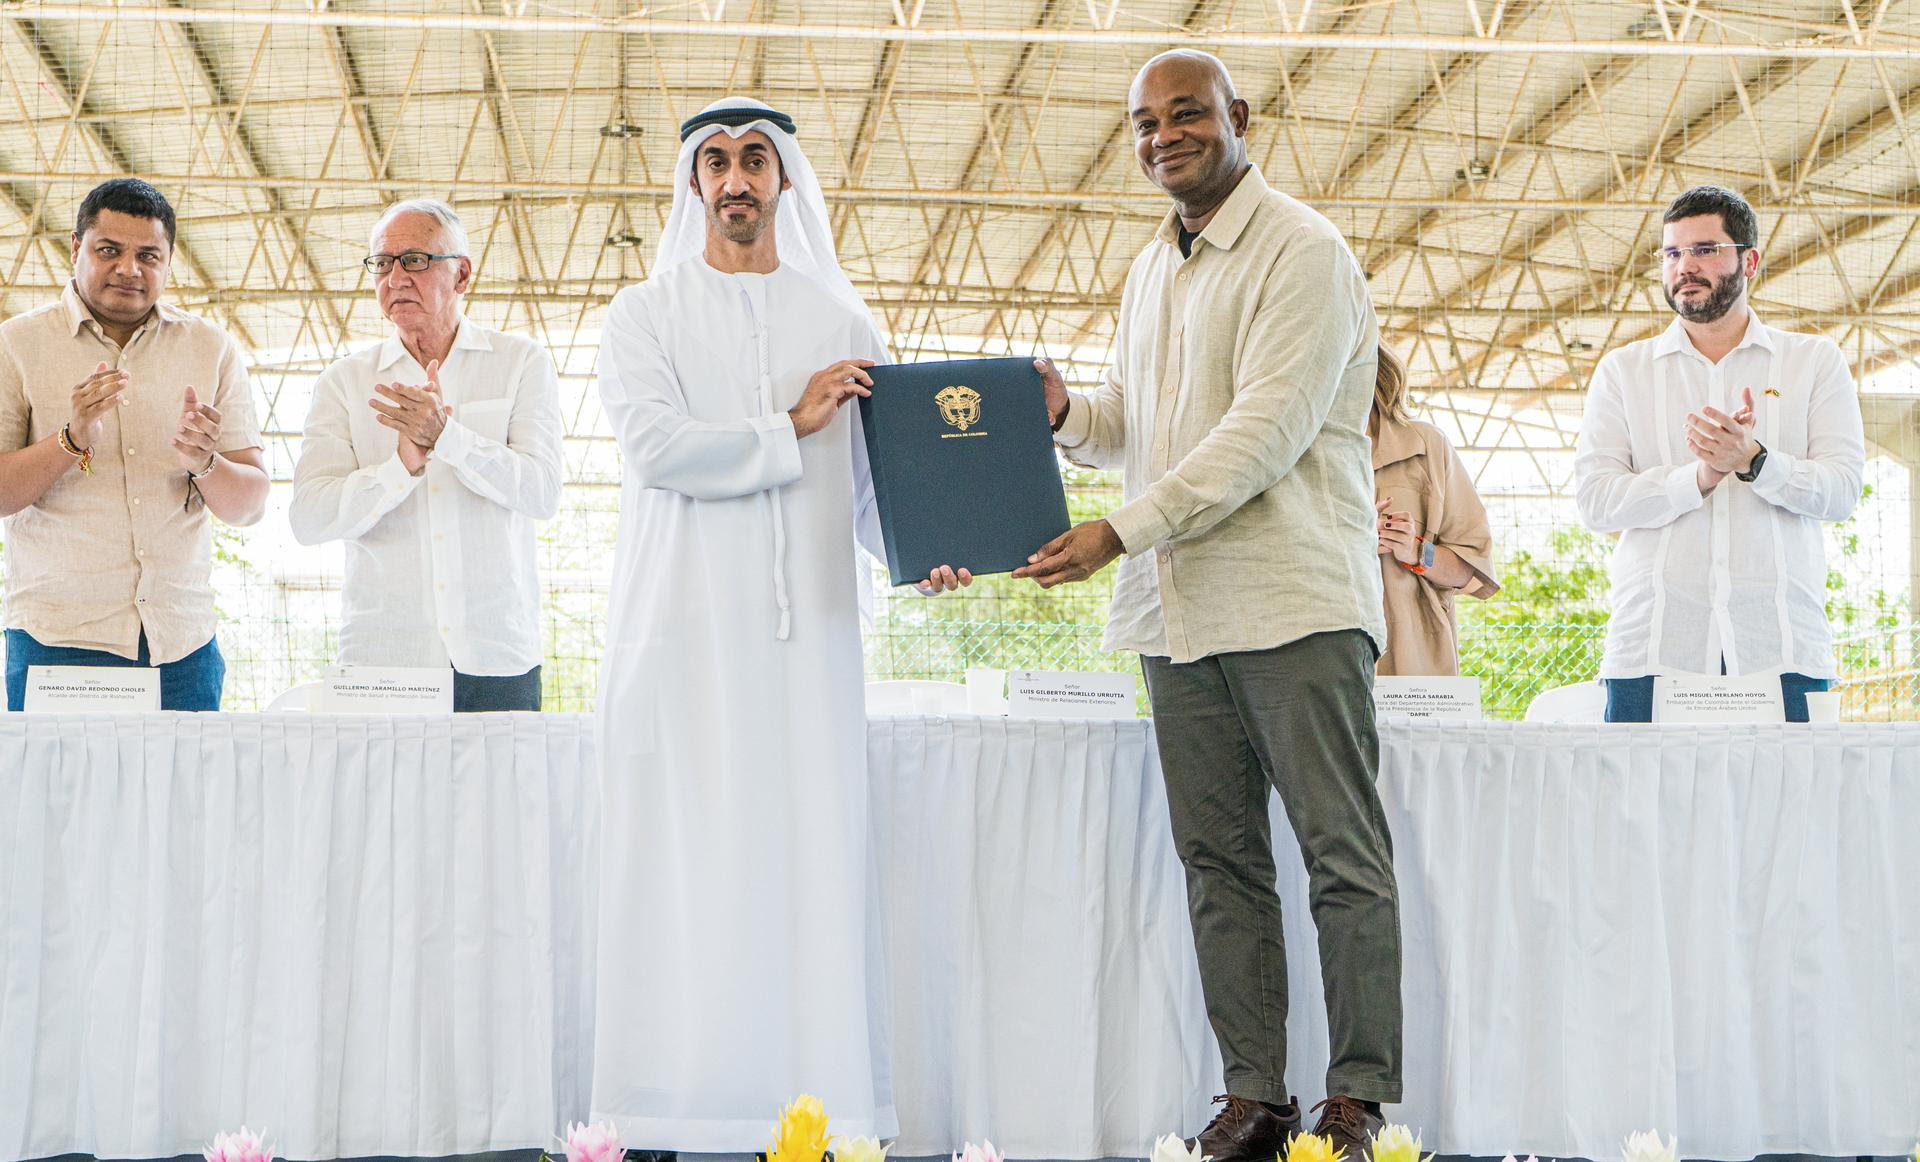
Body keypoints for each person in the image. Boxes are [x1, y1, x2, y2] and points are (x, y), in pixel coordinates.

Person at [1014, 51, 1401, 1160]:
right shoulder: (1154, 264)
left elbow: (1262, 435)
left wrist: (1117, 531)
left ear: (1240, 118)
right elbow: (1145, 416)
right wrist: (1064, 414)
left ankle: (1358, 1096)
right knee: (1219, 861)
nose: (1161, 136)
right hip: (1177, 615)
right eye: (1143, 122)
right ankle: (1257, 1095)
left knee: (1340, 854)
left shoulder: (1305, 253)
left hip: (1293, 604)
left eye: (1186, 114)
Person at [588, 96, 968, 1149]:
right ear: (693, 185)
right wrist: (788, 421)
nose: (737, 179)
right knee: (691, 861)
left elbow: (866, 495)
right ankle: (682, 1099)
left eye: (757, 159)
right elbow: (659, 449)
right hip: (684, 636)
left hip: (812, 651)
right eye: (716, 162)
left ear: (787, 180)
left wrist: (918, 554)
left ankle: (814, 1100)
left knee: (806, 859)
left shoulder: (843, 324)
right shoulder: (642, 314)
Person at [1574, 185, 1865, 722]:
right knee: (1643, 807)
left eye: (1705, 249)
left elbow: (1842, 491)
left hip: (1782, 647)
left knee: (1793, 806)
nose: (1685, 266)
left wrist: (1756, 461)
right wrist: (1700, 477)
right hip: (1654, 647)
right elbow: (1596, 502)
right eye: (1672, 253)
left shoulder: (1813, 363)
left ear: (1749, 260)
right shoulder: (1622, 371)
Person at [0, 178, 266, 711]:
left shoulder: (210, 348)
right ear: (76, 249)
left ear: (168, 262)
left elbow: (251, 505)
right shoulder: (17, 344)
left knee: (184, 797)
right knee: (63, 798)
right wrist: (71, 441)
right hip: (60, 643)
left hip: (181, 646)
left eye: (149, 255)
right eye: (109, 251)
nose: (129, 268)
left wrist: (206, 462)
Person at [290, 199, 562, 711]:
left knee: (500, 794)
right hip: (383, 660)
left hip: (496, 657)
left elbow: (542, 493)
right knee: (382, 797)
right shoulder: (344, 383)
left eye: (414, 260)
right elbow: (309, 518)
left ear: (461, 275)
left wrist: (449, 438)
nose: (394, 277)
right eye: (381, 263)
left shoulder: (521, 363)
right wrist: (401, 468)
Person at [1370, 344, 1499, 675]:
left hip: (1411, 662)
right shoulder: (1292, 447)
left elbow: (1470, 572)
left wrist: (1414, 550)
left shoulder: (1427, 446)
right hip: (1314, 655)